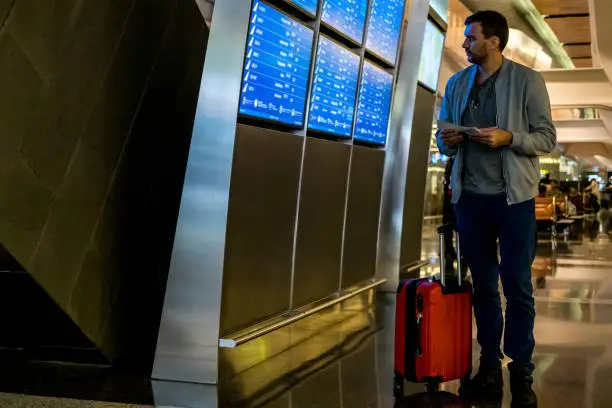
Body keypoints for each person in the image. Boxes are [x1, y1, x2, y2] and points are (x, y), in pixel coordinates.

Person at [436, 10, 556, 408]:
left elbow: (546, 138)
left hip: (514, 200)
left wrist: (509, 138)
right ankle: (489, 365)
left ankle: (520, 369)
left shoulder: (527, 81)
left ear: (493, 41)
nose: (464, 43)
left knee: (518, 287)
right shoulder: (457, 83)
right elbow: (442, 139)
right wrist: (449, 139)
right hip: (470, 200)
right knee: (484, 288)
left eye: (470, 38)